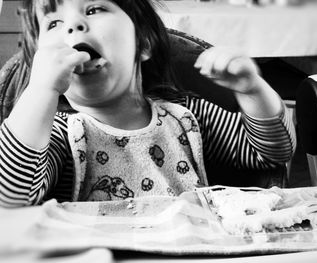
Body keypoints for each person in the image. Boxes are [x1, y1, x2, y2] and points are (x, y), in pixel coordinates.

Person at [0, 0, 296, 207]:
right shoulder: (57, 136)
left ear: (143, 43)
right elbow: (10, 196)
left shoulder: (187, 116)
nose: (74, 24)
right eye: (53, 22)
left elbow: (273, 153)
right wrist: (40, 89)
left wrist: (252, 89)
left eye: (94, 9)